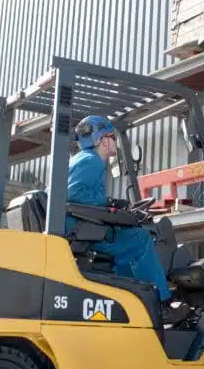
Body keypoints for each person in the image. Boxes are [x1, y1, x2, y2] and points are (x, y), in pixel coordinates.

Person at [68, 115, 189, 326]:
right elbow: (75, 195)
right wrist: (111, 209)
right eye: (112, 137)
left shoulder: (80, 158)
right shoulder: (92, 160)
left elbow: (85, 196)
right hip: (82, 228)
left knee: (126, 240)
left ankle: (131, 299)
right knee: (139, 239)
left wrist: (117, 205)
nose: (113, 141)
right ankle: (161, 305)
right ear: (102, 140)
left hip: (81, 225)